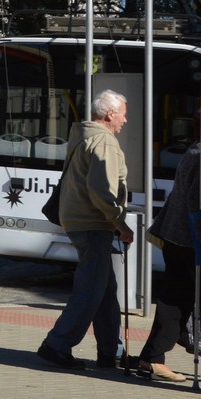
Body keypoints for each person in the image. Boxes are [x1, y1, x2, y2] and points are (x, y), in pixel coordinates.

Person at [36, 89, 135, 371]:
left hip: (82, 220)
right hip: (92, 223)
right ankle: (57, 344)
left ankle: (110, 351)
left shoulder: (84, 135)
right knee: (91, 289)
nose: (125, 121)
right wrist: (120, 223)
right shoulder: (103, 141)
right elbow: (102, 190)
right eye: (123, 115)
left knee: (104, 289)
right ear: (111, 113)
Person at [134, 116, 199, 382]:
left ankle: (153, 357)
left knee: (175, 300)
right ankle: (158, 354)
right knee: (177, 299)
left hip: (178, 238)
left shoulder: (194, 150)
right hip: (189, 240)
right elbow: (197, 204)